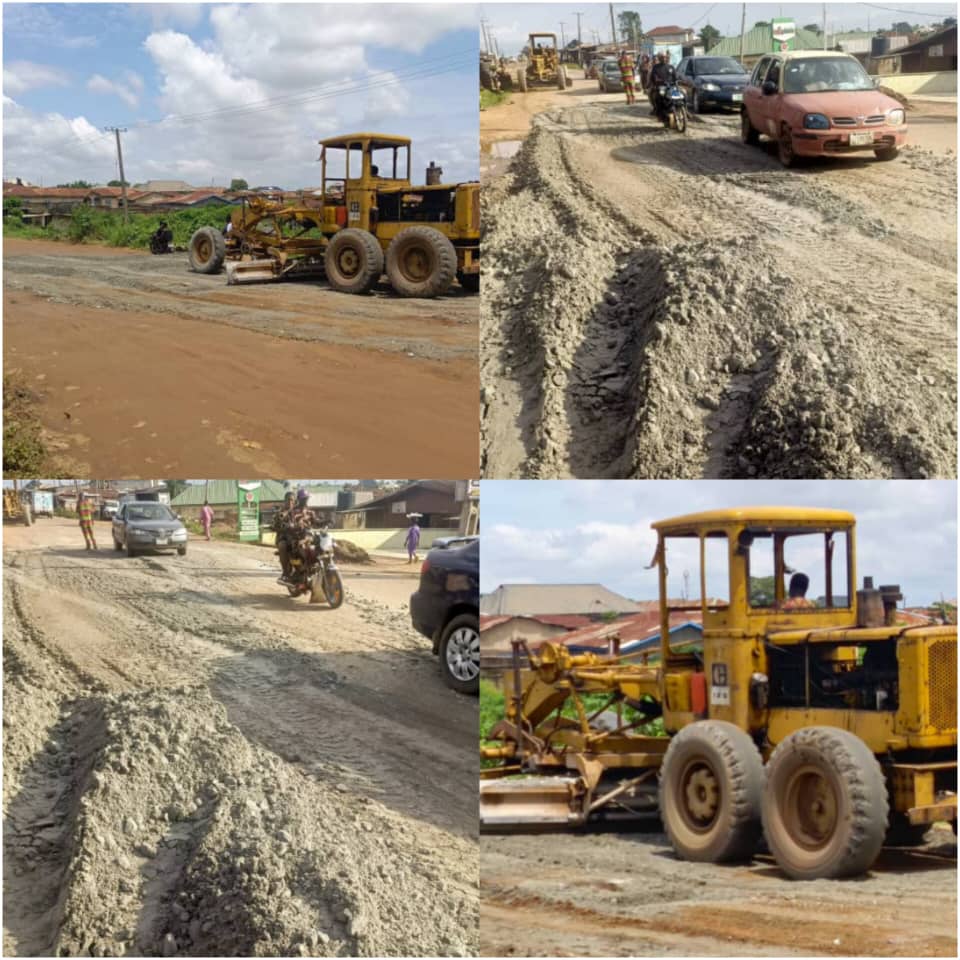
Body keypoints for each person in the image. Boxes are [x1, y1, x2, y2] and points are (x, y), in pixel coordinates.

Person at [273, 491, 297, 581]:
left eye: (292, 500)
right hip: (283, 537)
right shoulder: (281, 512)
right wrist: (281, 526)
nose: (290, 502)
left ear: (294, 501)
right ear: (285, 501)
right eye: (288, 500)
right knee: (282, 546)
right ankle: (285, 572)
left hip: (296, 536)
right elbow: (275, 524)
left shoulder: (297, 511)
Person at [648, 52, 677, 117]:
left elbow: (675, 76)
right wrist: (657, 81)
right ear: (659, 58)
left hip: (671, 86)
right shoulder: (656, 67)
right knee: (657, 97)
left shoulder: (671, 67)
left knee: (683, 94)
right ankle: (658, 111)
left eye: (664, 57)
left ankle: (684, 110)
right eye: (662, 57)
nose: (663, 59)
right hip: (661, 87)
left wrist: (677, 81)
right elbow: (653, 77)